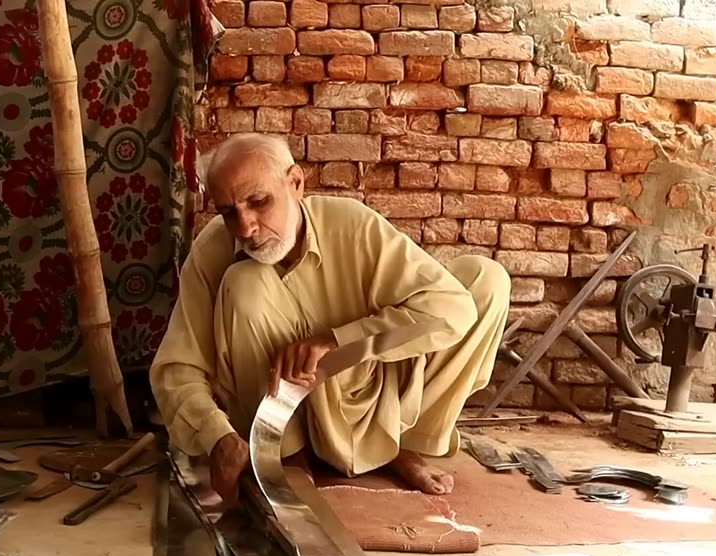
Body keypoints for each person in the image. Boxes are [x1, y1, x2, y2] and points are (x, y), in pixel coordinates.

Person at [150, 133, 511, 505]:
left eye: (259, 202)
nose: (245, 227)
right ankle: (284, 457)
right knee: (245, 283)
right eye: (229, 212)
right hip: (281, 414)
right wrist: (217, 437)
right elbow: (176, 368)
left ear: (295, 183)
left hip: (372, 390)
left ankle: (404, 446)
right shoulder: (213, 250)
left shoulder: (352, 224)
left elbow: (453, 309)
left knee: (486, 280)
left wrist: (337, 341)